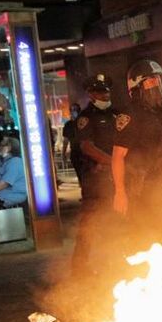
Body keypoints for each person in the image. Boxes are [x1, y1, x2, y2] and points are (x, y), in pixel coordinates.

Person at [111, 59, 162, 236]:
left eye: (158, 80)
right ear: (137, 86)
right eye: (151, 81)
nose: (157, 85)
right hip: (142, 185)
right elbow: (118, 155)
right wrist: (120, 192)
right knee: (145, 232)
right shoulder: (130, 115)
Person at [71, 74, 119, 275]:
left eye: (106, 91)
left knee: (115, 220)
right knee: (90, 222)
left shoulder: (116, 114)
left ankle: (114, 263)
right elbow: (87, 147)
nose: (104, 95)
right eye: (99, 92)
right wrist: (113, 161)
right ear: (91, 94)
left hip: (116, 176)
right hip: (95, 177)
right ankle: (79, 266)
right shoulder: (86, 118)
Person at [62, 103, 82, 187]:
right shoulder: (68, 125)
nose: (74, 112)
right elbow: (65, 140)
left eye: (75, 110)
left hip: (85, 151)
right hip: (75, 151)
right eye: (72, 110)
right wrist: (63, 153)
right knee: (79, 172)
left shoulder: (83, 123)